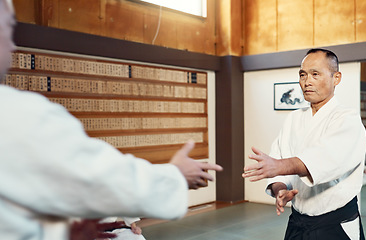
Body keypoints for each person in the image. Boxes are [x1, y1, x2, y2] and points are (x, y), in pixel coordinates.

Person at [0, 0, 223, 239]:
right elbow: (97, 179)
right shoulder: (16, 112)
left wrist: (58, 232)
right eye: (8, 28)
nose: (13, 45)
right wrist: (176, 174)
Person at [243, 48, 366, 239]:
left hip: (334, 224)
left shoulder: (347, 119)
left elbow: (325, 159)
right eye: (303, 75)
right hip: (299, 221)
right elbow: (279, 157)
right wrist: (280, 188)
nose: (307, 82)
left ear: (336, 78)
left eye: (315, 74)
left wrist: (278, 166)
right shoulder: (294, 118)